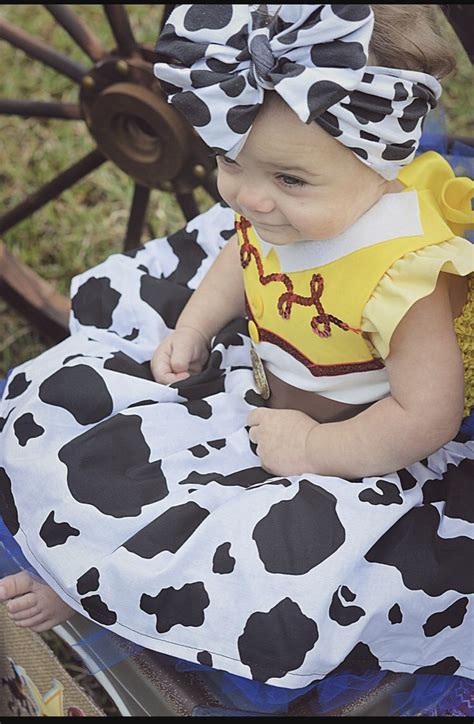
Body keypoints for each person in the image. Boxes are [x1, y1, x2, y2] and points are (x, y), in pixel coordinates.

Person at [0, 4, 473, 691]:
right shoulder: (279, 205)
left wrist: (313, 451)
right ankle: (89, 584)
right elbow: (237, 260)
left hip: (356, 451)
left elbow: (425, 415)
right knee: (89, 439)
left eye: (288, 180)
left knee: (265, 577)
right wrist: (192, 328)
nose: (249, 197)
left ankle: (116, 610)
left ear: (384, 158)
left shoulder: (404, 273)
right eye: (229, 161)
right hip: (253, 390)